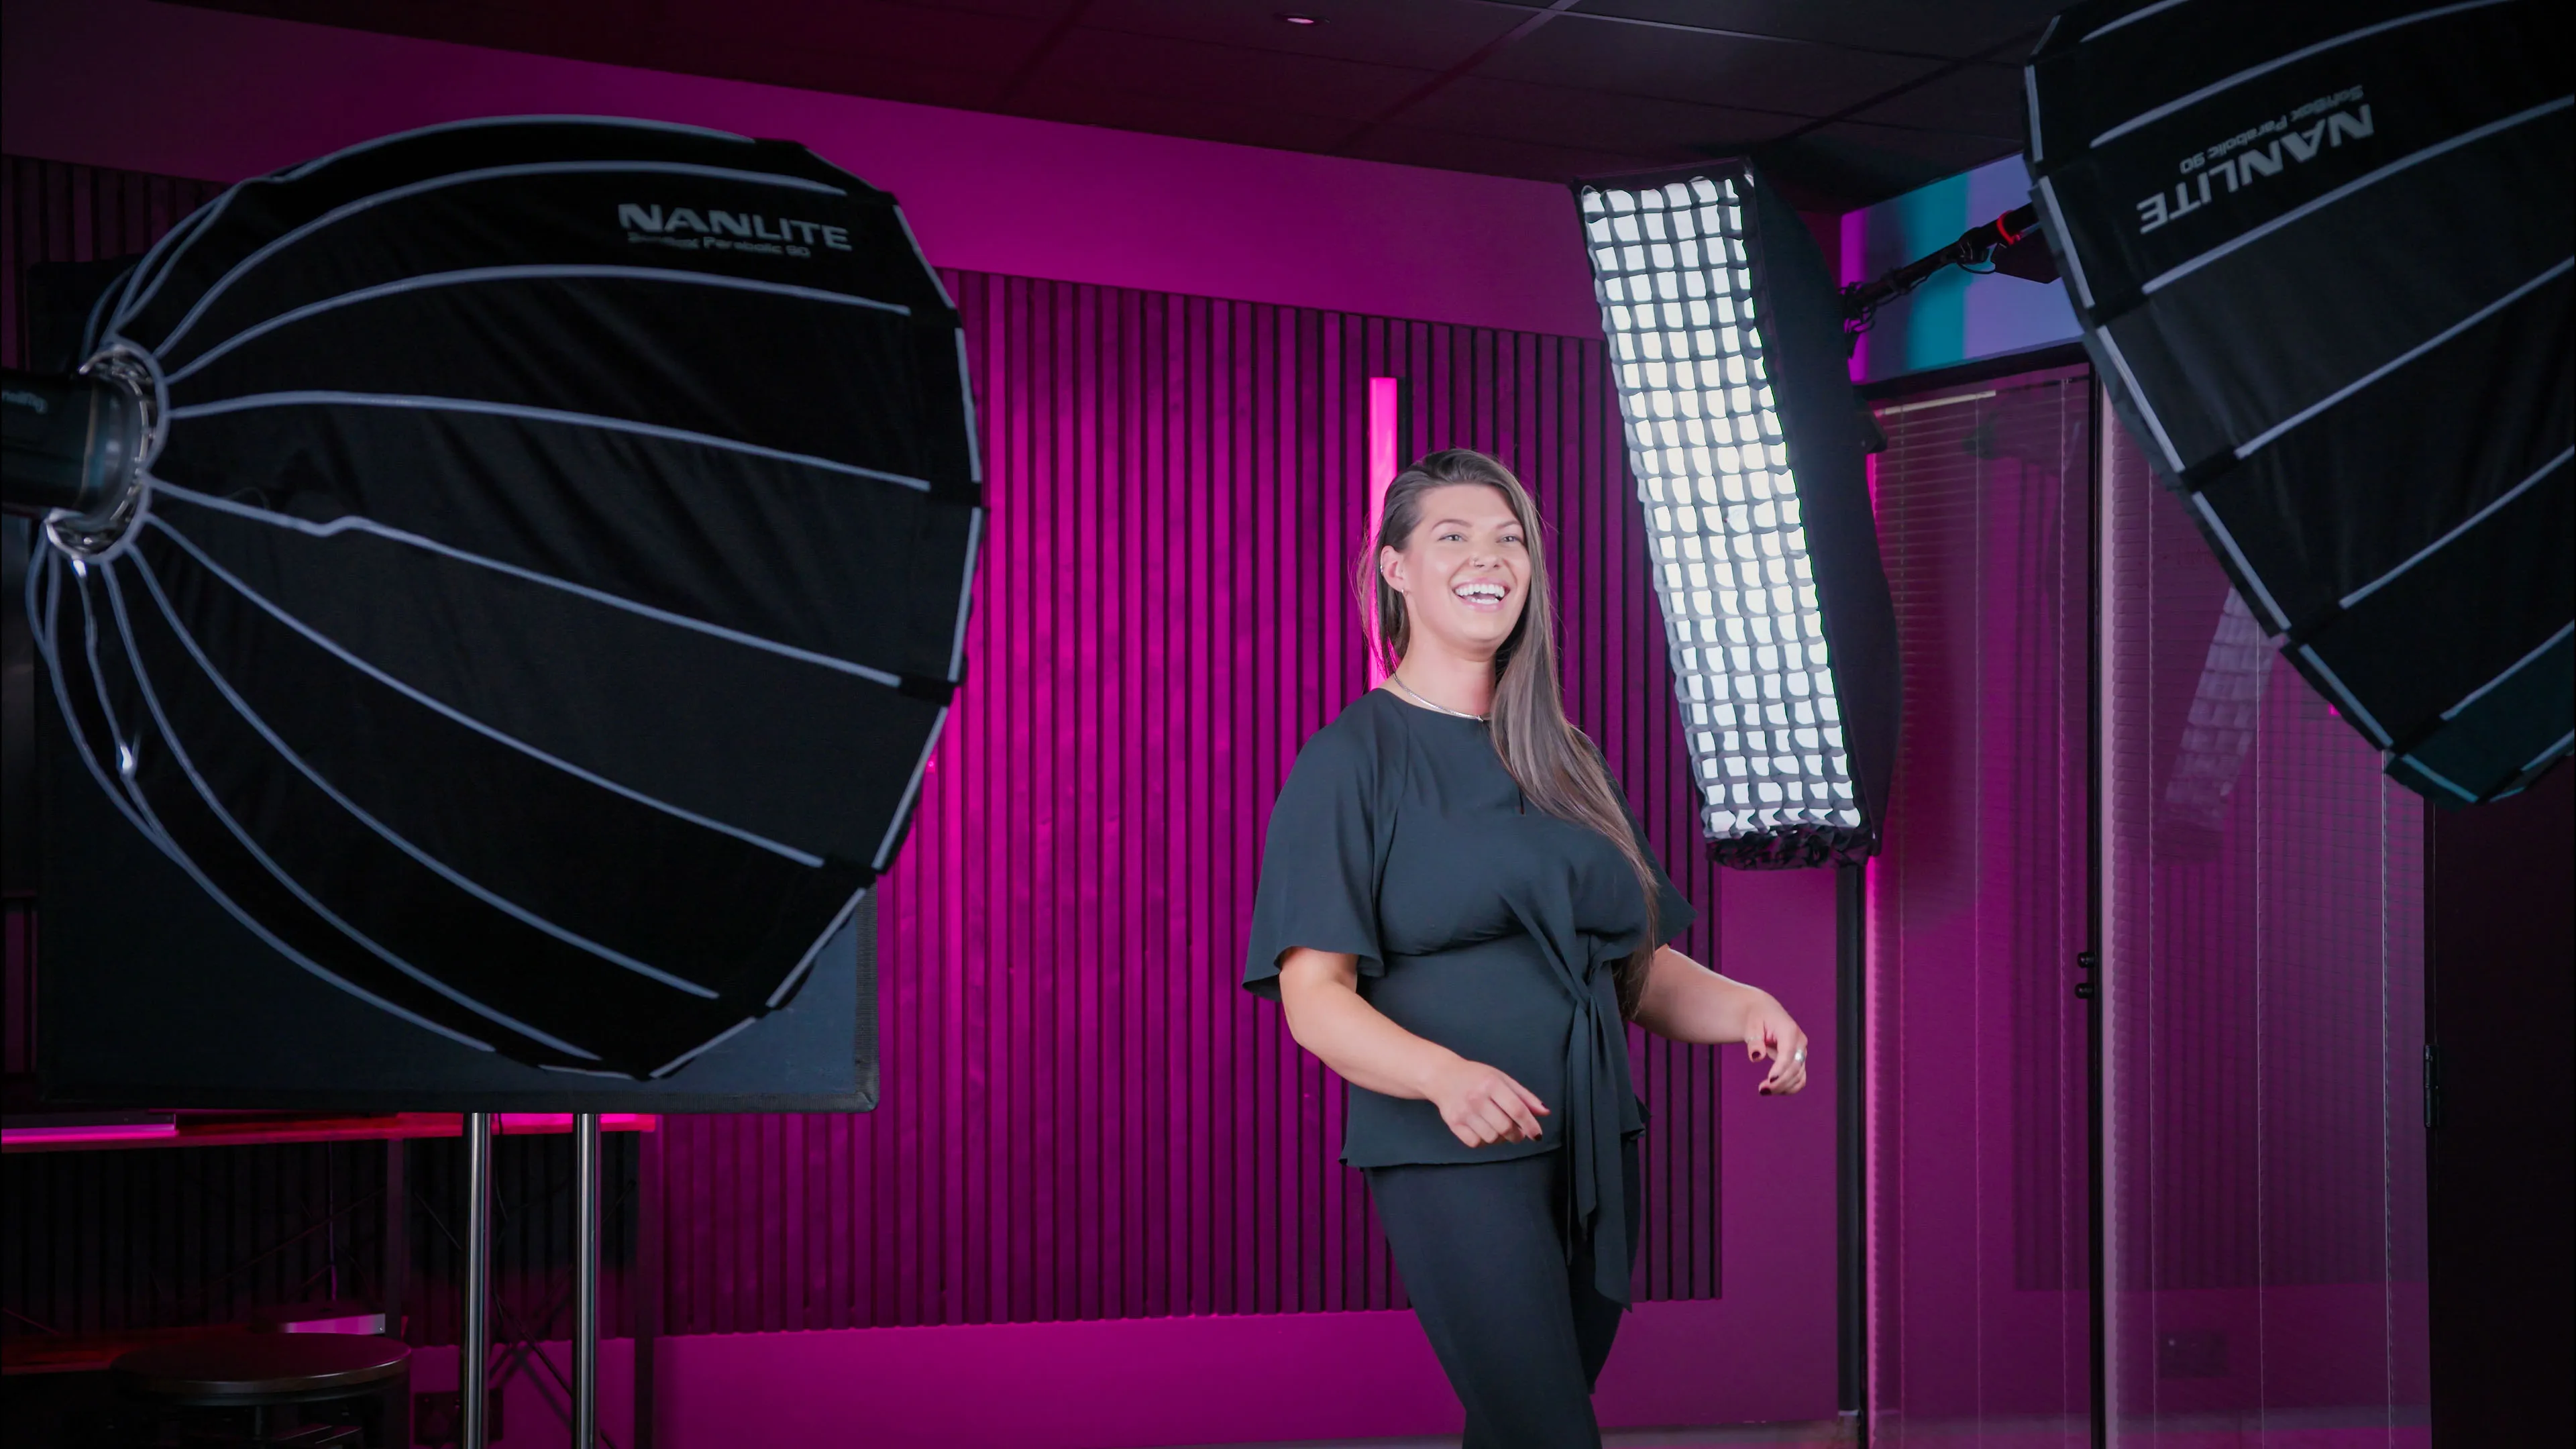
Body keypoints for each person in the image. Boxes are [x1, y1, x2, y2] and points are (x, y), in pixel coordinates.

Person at [1242, 447, 1811, 1448]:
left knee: (1519, 1431)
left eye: (1510, 540)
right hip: (1452, 1146)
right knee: (1549, 1432)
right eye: (1453, 536)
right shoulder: (1350, 761)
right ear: (1394, 569)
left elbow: (1630, 965)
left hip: (1592, 1135)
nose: (1489, 557)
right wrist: (1443, 1078)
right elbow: (1314, 997)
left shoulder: (1567, 757)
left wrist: (1746, 1007)